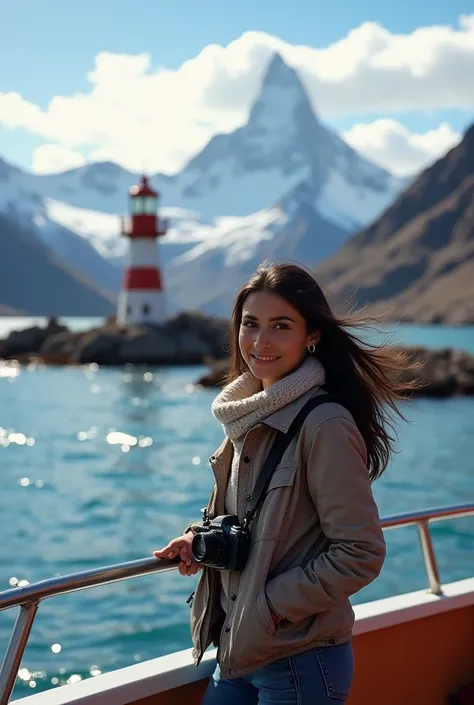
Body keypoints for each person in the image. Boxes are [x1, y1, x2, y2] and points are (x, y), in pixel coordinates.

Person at [154, 262, 415, 704]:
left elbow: (361, 553)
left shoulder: (324, 423)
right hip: (237, 651)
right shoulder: (247, 414)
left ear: (311, 335)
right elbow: (257, 517)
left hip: (300, 660)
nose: (260, 341)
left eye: (280, 326)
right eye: (250, 324)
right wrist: (197, 537)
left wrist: (269, 607)